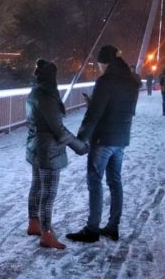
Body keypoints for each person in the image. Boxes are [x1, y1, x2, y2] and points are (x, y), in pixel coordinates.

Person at [66, 45, 139, 243]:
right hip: (121, 139)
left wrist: (81, 138)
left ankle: (92, 229)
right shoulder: (131, 81)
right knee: (115, 181)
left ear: (105, 63)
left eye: (99, 64)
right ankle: (113, 227)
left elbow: (94, 114)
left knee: (95, 181)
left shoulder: (105, 81)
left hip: (103, 139)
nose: (99, 67)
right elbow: (123, 109)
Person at [25, 59, 88, 249]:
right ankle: (46, 233)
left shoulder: (35, 93)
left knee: (37, 186)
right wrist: (80, 147)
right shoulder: (46, 97)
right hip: (49, 151)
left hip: (36, 146)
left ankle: (34, 223)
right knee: (48, 192)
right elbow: (59, 130)